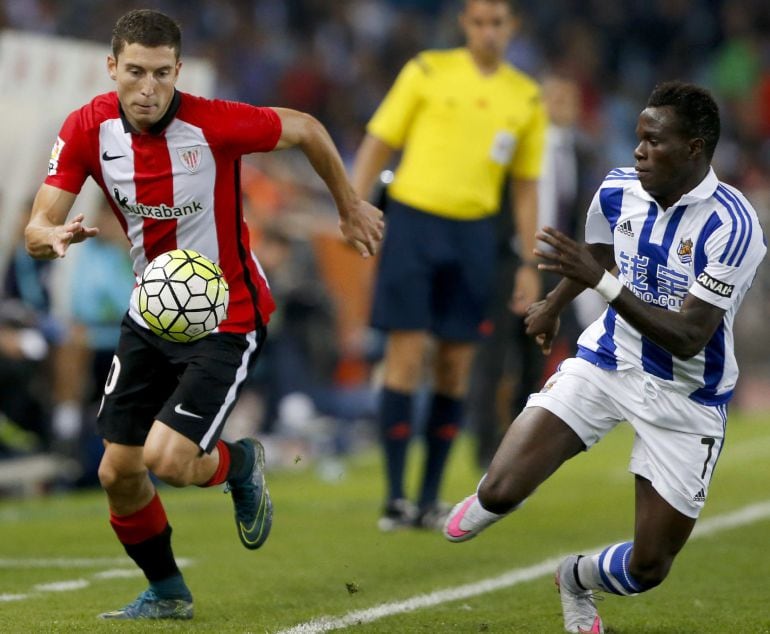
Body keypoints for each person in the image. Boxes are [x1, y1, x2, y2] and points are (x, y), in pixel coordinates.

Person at [24, 9, 383, 621]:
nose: (148, 88)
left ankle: (240, 462)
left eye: (161, 74)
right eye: (135, 71)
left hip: (227, 314)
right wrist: (49, 237)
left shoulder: (213, 123)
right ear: (112, 68)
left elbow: (306, 127)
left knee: (169, 461)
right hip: (151, 311)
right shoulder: (87, 129)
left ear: (178, 71)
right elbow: (38, 222)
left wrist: (349, 206)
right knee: (118, 470)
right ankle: (167, 592)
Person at [443, 80, 766, 633]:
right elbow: (599, 250)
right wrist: (551, 303)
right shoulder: (619, 188)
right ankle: (495, 494)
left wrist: (604, 285)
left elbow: (689, 335)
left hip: (685, 395)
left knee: (649, 567)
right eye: (638, 137)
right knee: (498, 490)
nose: (637, 150)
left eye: (653, 141)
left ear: (693, 148)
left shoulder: (734, 227)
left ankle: (575, 577)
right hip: (609, 361)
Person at [350, 0, 546, 531]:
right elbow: (378, 143)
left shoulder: (526, 97)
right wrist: (354, 206)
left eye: (497, 22)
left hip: (476, 233)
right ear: (465, 23)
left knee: (456, 366)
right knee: (405, 355)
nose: (487, 31)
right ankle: (395, 497)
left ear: (512, 26)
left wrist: (529, 260)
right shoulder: (427, 70)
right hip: (413, 223)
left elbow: (526, 189)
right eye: (479, 21)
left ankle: (430, 496)